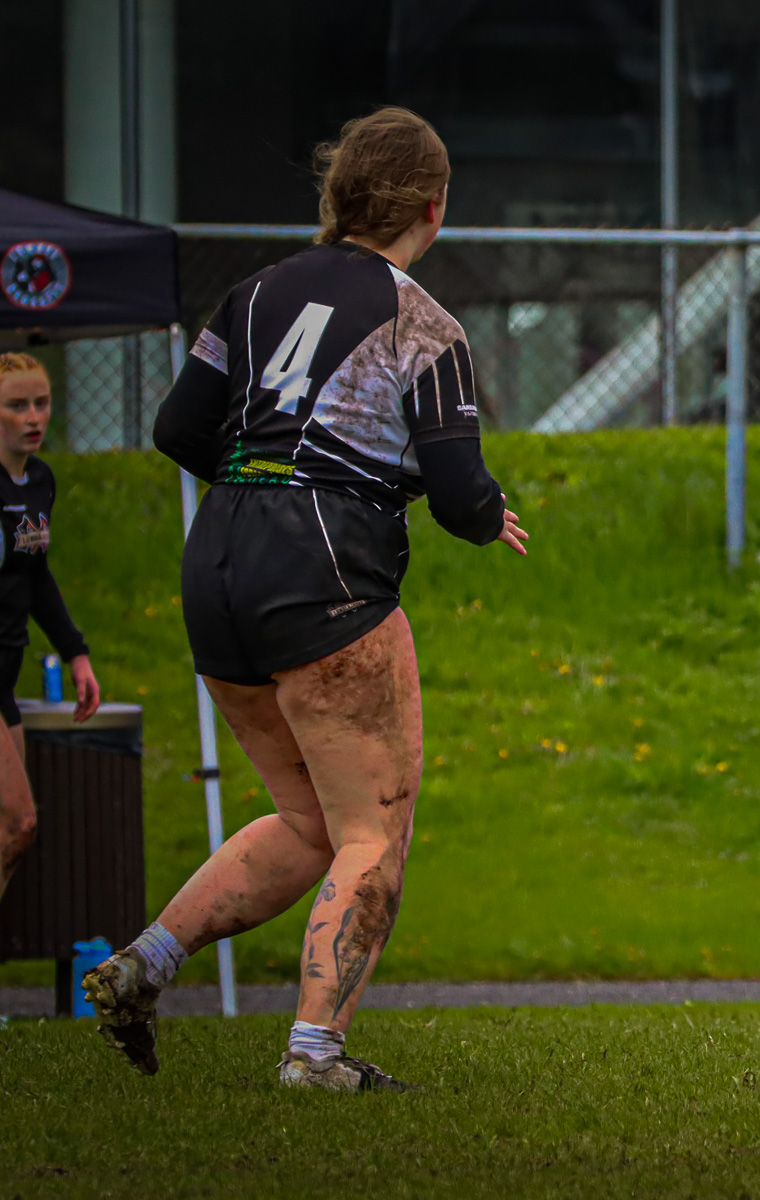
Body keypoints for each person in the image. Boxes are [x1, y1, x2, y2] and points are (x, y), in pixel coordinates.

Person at [82, 107, 527, 1089]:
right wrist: (482, 510)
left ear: (338, 199)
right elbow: (457, 497)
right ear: (432, 207)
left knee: (310, 825)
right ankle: (314, 1053)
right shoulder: (423, 322)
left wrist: (264, 477)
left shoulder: (251, 294)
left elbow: (176, 429)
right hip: (325, 566)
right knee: (374, 831)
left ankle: (141, 964)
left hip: (218, 565)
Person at [0, 353, 102, 902]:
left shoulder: (40, 481)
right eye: (17, 406)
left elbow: (35, 577)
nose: (33, 416)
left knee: (11, 838)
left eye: (41, 403)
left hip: (7, 682)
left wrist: (76, 654)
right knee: (19, 823)